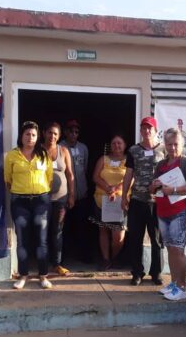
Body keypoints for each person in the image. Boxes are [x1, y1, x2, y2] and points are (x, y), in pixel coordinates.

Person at [150, 128, 186, 301]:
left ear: (182, 144)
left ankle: (182, 288)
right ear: (165, 144)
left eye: (176, 144)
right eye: (169, 144)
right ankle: (173, 284)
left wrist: (174, 190)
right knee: (171, 249)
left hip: (180, 212)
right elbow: (153, 189)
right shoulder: (161, 165)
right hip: (163, 212)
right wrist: (154, 185)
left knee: (178, 250)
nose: (172, 148)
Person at [5, 121, 53, 290]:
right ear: (21, 136)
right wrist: (22, 191)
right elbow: (8, 180)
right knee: (22, 240)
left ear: (37, 137)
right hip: (20, 201)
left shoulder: (44, 155)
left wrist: (38, 191)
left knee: (41, 239)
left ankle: (43, 276)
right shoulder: (12, 155)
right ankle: (23, 275)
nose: (30, 138)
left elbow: (49, 177)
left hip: (41, 201)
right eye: (27, 134)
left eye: (33, 135)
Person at [121, 116, 165, 286]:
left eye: (150, 128)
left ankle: (156, 273)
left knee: (157, 239)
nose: (147, 131)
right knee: (135, 239)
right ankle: (137, 272)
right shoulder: (134, 150)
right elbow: (129, 174)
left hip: (157, 202)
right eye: (144, 128)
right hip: (137, 201)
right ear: (140, 131)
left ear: (155, 131)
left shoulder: (163, 149)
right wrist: (124, 195)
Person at [90, 134, 128, 270]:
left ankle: (114, 257)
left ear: (124, 145)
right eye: (114, 143)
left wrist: (117, 189)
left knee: (118, 236)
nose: (116, 146)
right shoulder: (103, 159)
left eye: (119, 143)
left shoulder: (129, 160)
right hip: (102, 200)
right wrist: (108, 188)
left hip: (121, 202)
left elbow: (132, 178)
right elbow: (95, 176)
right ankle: (106, 259)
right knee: (104, 230)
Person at [42, 122, 75, 276]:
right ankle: (41, 263)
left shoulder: (64, 151)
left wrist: (72, 195)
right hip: (41, 198)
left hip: (61, 199)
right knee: (42, 230)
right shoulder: (38, 150)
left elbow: (70, 174)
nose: (52, 136)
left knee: (57, 231)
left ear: (59, 135)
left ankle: (57, 264)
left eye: (55, 133)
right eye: (50, 132)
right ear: (44, 133)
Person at [60, 119, 91, 263]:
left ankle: (83, 255)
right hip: (64, 195)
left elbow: (84, 168)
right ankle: (62, 256)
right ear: (65, 131)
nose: (73, 134)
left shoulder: (83, 148)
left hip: (81, 194)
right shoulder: (60, 147)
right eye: (70, 131)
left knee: (82, 226)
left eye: (76, 131)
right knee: (64, 227)